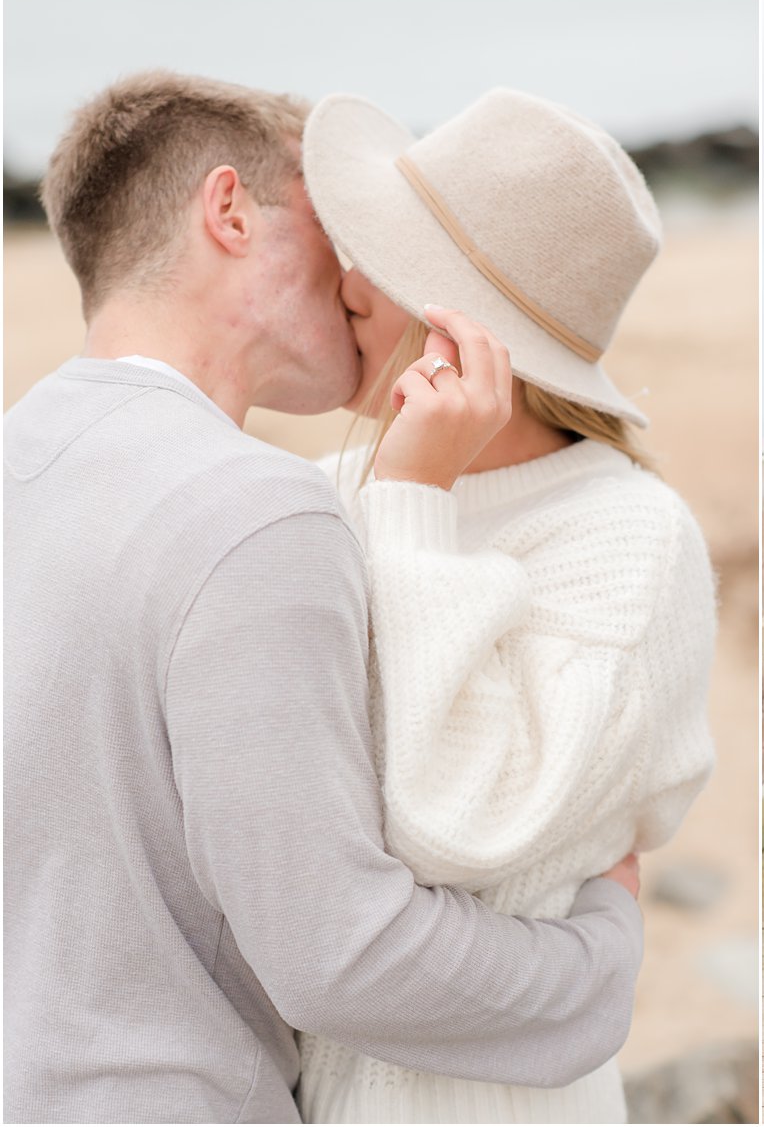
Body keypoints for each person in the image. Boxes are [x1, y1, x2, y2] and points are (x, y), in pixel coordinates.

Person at [3, 71, 644, 1124]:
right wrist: (599, 957)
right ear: (228, 213)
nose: (357, 275)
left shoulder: (18, 459)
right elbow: (338, 951)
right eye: (328, 227)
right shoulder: (258, 509)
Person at [291, 89, 716, 1123]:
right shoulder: (332, 488)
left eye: (385, 263)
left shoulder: (631, 539)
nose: (344, 282)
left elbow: (453, 828)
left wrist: (413, 502)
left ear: (473, 335)